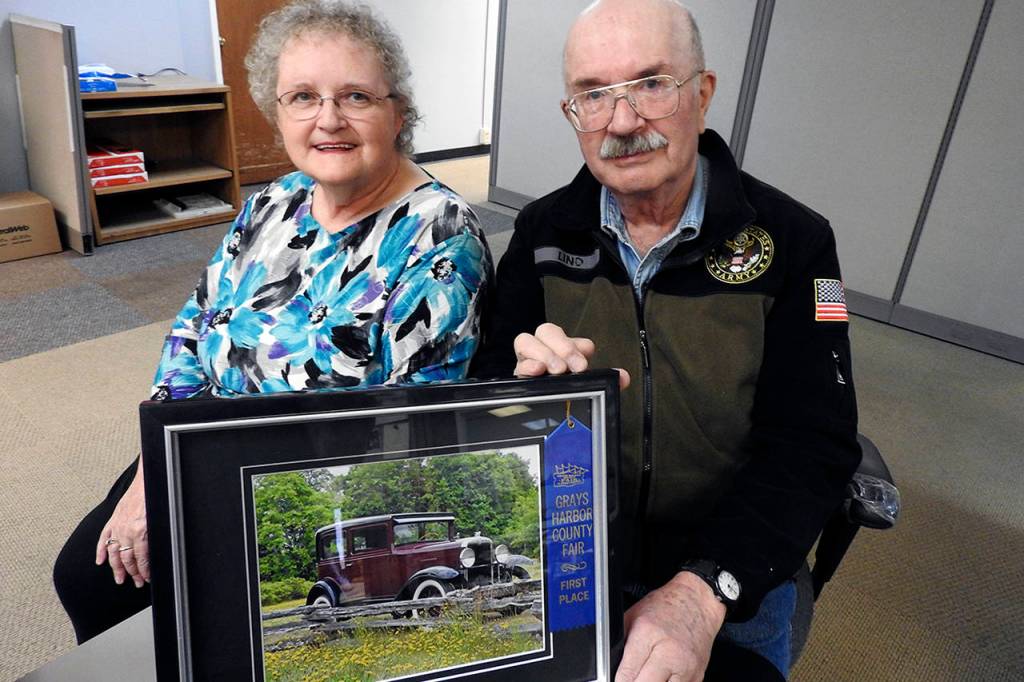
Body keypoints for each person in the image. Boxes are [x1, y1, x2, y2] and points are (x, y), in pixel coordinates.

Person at [54, 0, 491, 644]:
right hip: (198, 440)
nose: (329, 119)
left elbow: (407, 428)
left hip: (297, 478)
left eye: (356, 97)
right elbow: (192, 332)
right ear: (277, 112)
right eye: (302, 97)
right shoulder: (274, 201)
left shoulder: (439, 236)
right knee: (87, 574)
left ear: (398, 112)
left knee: (152, 610)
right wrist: (155, 471)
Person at [471, 0, 860, 679]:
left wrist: (704, 591)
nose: (623, 122)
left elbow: (816, 444)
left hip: (727, 563)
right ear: (572, 113)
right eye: (593, 95)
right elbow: (483, 401)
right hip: (574, 553)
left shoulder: (797, 242)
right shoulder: (540, 235)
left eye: (652, 84)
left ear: (703, 94)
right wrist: (517, 400)